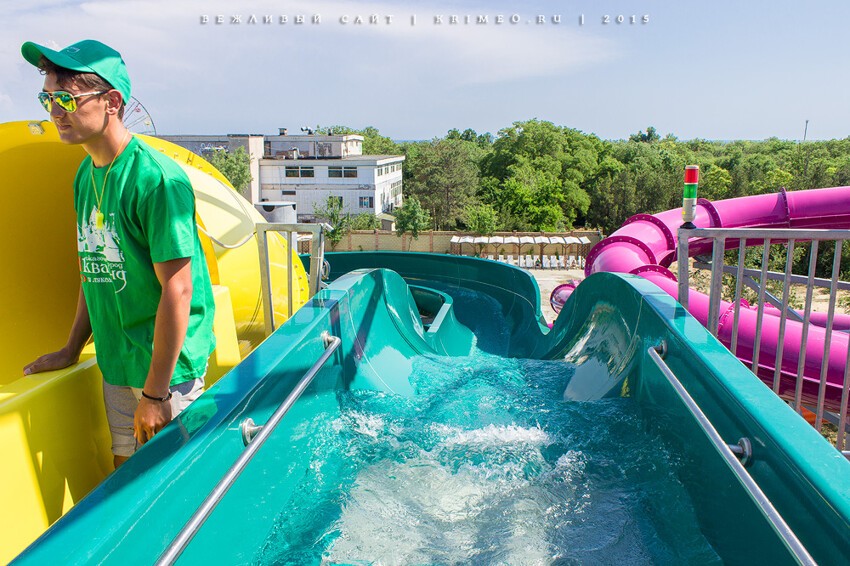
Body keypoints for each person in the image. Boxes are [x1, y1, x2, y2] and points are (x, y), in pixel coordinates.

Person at [20, 39, 216, 468]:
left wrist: (156, 393)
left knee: (165, 489)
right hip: (119, 361)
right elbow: (95, 270)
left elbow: (178, 291)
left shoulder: (157, 180)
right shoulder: (84, 176)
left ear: (112, 101)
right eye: (48, 98)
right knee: (124, 477)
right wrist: (72, 348)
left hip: (164, 372)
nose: (55, 111)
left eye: (67, 98)